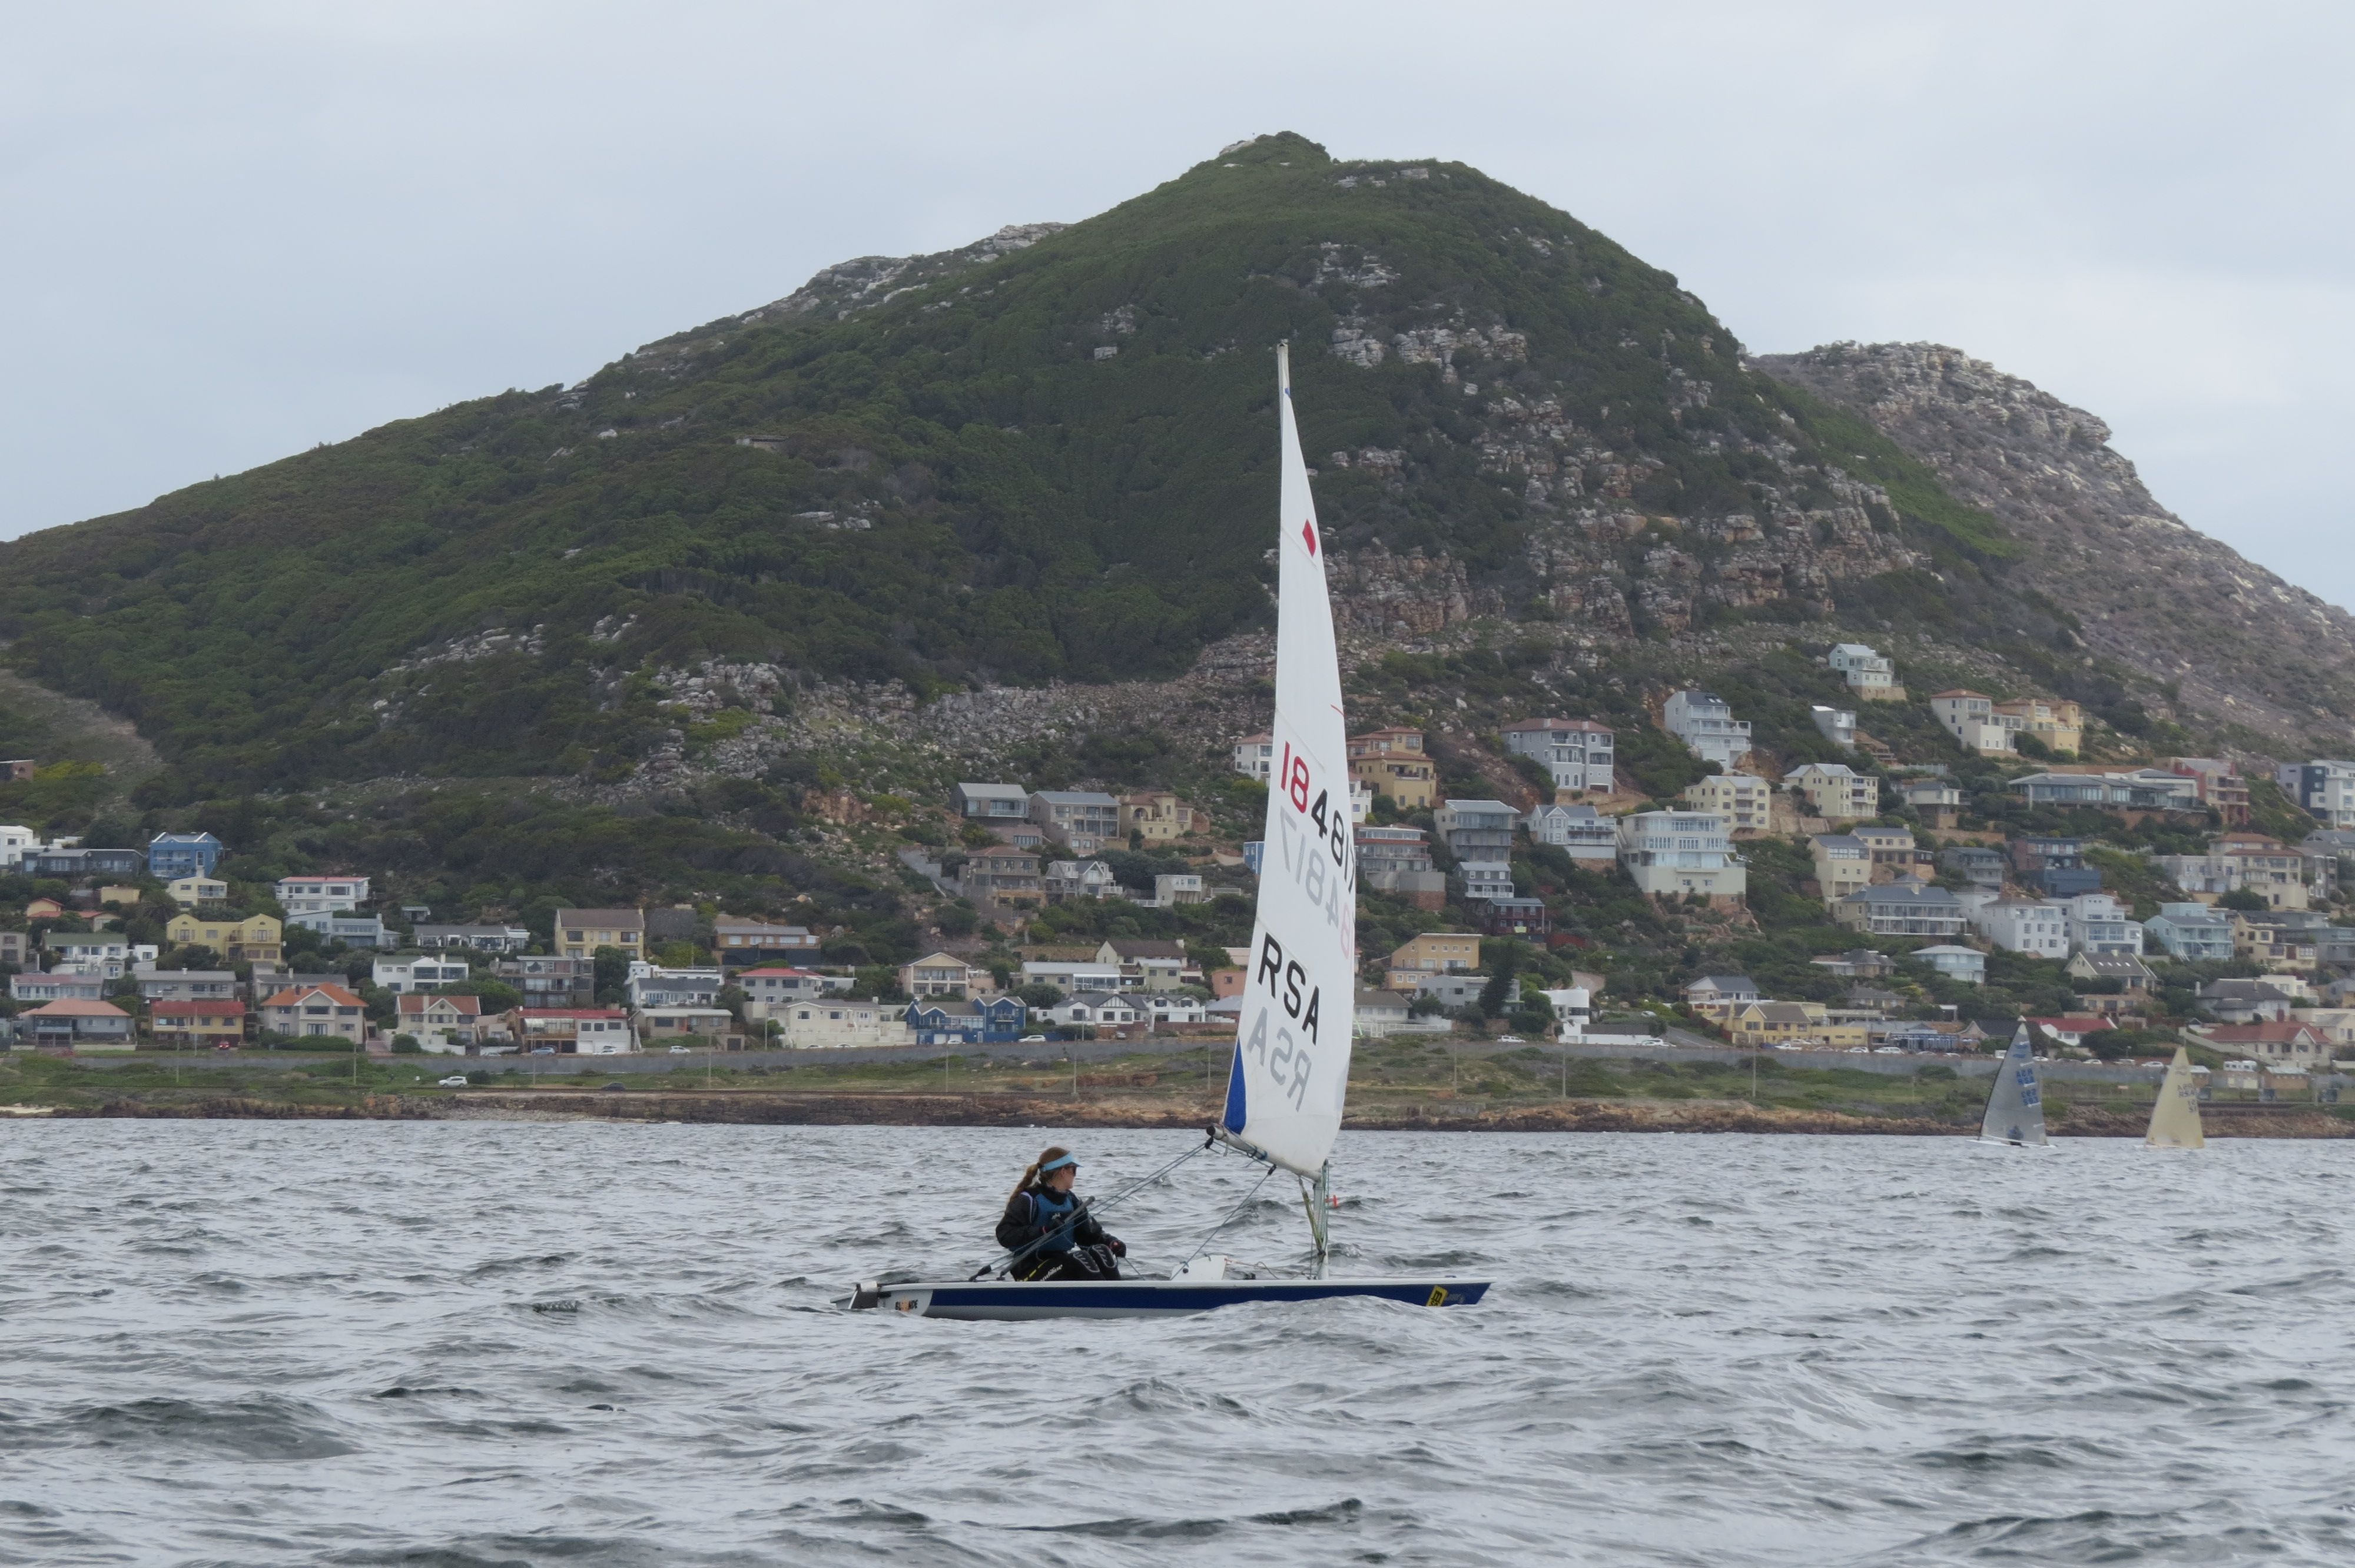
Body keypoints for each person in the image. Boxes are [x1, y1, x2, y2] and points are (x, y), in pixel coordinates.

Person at [997, 1146, 1126, 1281]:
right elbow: (1005, 1235)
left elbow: (1088, 1236)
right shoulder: (1028, 1200)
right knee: (1080, 1259)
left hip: (1059, 1262)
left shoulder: (1073, 1201)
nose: (1075, 1175)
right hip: (1030, 1269)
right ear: (1063, 1172)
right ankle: (1104, 1293)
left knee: (1102, 1251)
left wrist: (1110, 1242)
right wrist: (1043, 1230)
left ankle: (1118, 1292)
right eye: (1074, 1170)